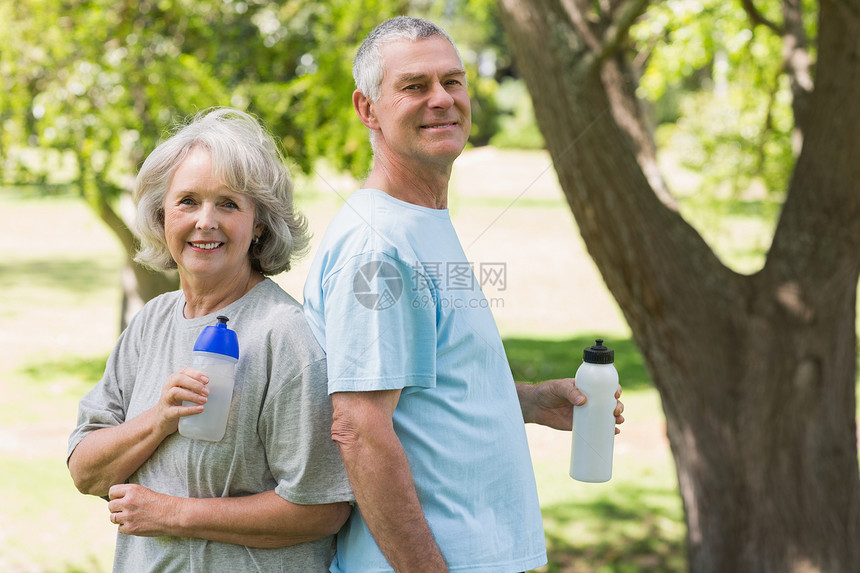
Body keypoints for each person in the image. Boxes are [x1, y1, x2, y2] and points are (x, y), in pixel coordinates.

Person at [302, 16, 625, 573]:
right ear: (367, 109)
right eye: (414, 86)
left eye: (453, 81)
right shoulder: (378, 249)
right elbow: (359, 430)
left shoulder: (416, 222)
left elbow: (417, 389)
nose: (442, 100)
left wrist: (528, 400)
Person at [67, 108, 353, 572]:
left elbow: (322, 508)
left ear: (259, 223)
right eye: (188, 201)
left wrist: (173, 514)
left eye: (228, 204)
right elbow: (85, 470)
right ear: (161, 216)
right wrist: (159, 419)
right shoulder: (152, 321)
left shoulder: (285, 336)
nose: (206, 221)